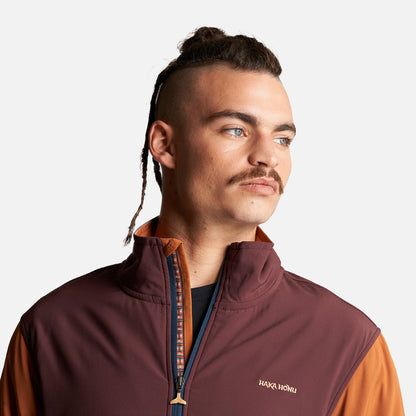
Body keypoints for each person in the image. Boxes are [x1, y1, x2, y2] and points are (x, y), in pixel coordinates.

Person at [0, 27, 404, 415]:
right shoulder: (53, 329)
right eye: (236, 130)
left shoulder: (346, 343)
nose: (268, 156)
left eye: (282, 138)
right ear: (165, 145)